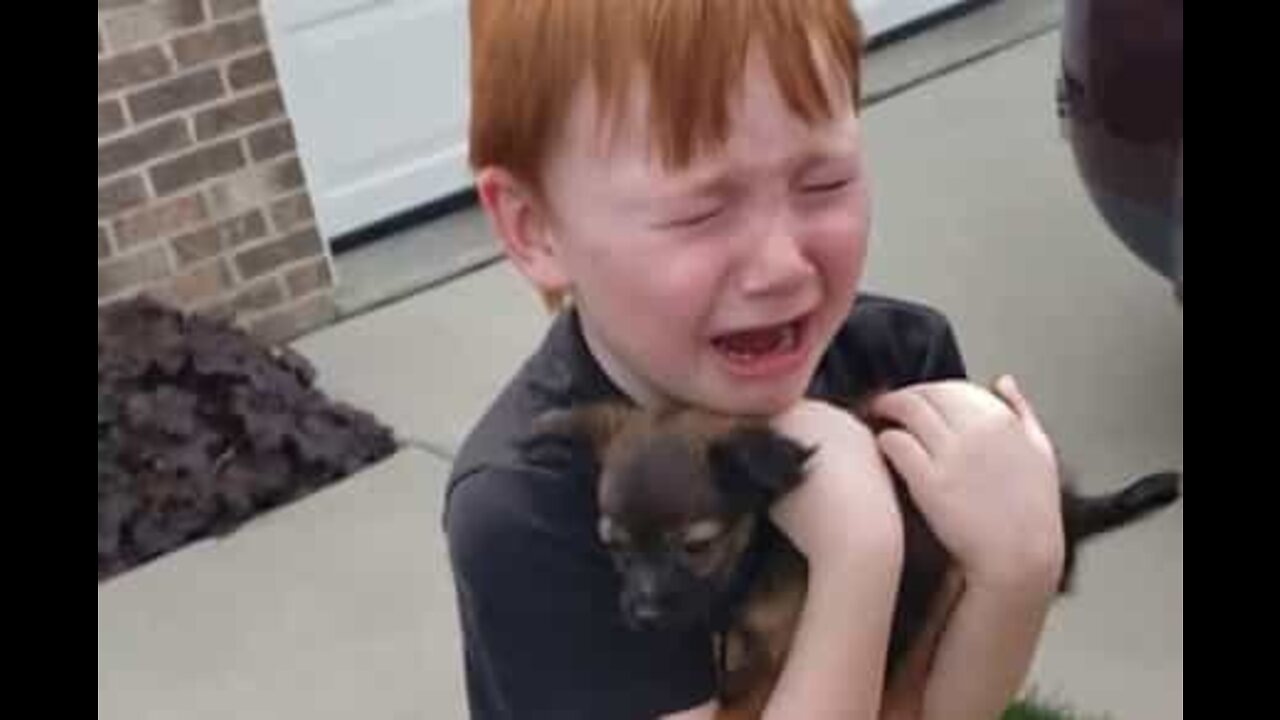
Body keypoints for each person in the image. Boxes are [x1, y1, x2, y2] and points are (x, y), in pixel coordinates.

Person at [444, 2, 1065, 718]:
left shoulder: (896, 367)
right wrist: (857, 556)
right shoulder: (532, 507)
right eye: (697, 212)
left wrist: (1017, 573)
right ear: (535, 227)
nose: (779, 267)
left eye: (823, 182)